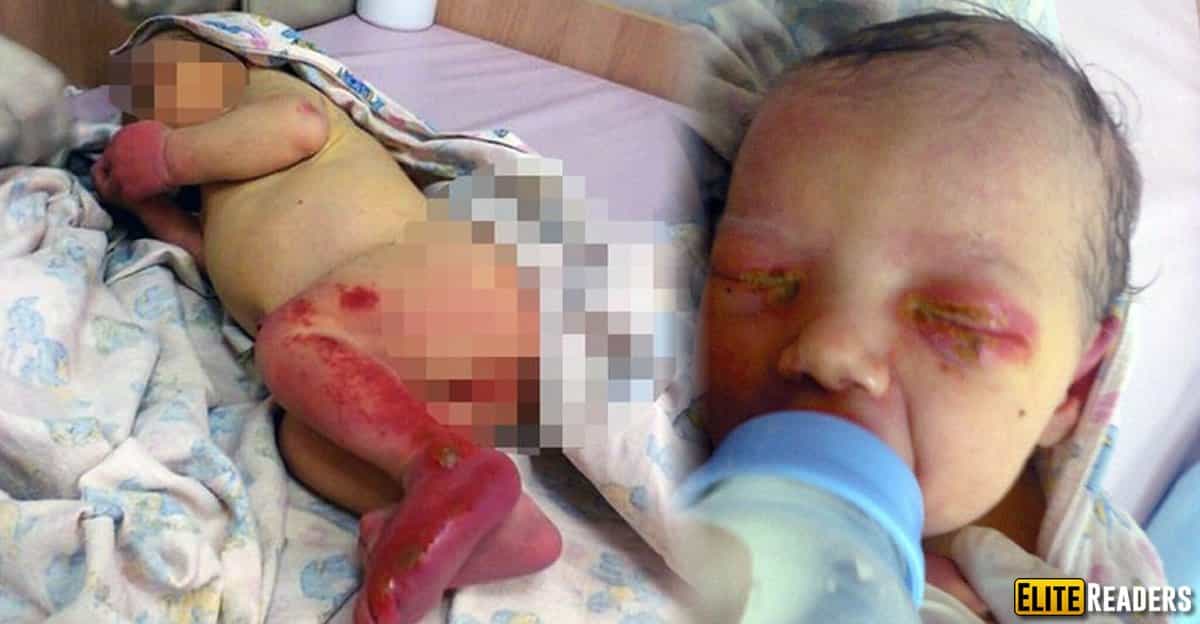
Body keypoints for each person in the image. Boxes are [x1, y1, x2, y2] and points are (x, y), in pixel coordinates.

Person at [697, 11, 1166, 621]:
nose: (830, 348)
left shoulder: (1084, 573)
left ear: (1072, 387)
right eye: (758, 278)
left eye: (957, 320)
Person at [92, 28, 561, 624]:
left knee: (289, 344)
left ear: (237, 55)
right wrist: (147, 203)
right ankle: (498, 526)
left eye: (160, 74)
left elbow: (299, 125)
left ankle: (438, 465)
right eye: (137, 105)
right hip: (393, 370)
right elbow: (212, 260)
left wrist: (168, 155)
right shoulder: (218, 196)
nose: (147, 100)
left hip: (431, 284)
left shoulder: (269, 95)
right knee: (301, 439)